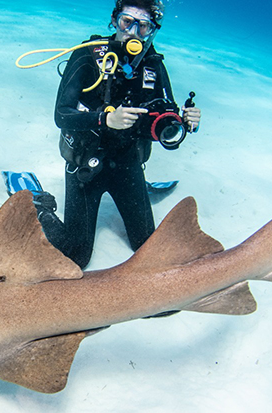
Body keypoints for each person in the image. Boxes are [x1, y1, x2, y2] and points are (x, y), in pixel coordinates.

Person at [35, 0, 201, 268]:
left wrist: (184, 121)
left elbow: (164, 114)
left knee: (146, 244)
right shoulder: (88, 55)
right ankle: (40, 208)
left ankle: (140, 190)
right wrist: (105, 119)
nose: (134, 32)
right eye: (127, 22)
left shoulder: (153, 64)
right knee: (77, 256)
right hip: (86, 164)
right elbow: (61, 114)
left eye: (144, 26)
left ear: (153, 30)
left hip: (127, 163)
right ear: (114, 21)